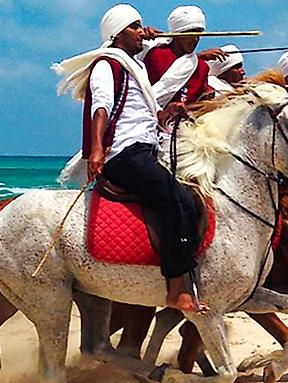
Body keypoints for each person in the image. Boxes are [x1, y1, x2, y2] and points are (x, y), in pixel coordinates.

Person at [52, 4, 205, 313]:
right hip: (123, 153)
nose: (141, 31)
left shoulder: (131, 66)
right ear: (117, 34)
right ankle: (176, 289)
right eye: (135, 27)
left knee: (190, 200)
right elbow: (102, 107)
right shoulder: (107, 65)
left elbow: (138, 113)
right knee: (178, 201)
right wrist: (96, 149)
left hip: (143, 148)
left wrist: (166, 113)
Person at [143, 5, 222, 107]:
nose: (195, 39)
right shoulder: (153, 53)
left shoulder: (202, 68)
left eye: (199, 34)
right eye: (191, 34)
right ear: (177, 33)